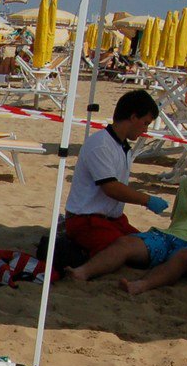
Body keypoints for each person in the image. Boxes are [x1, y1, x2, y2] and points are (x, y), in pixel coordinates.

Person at [64, 142, 187, 294]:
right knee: (126, 243)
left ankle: (141, 285)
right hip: (171, 236)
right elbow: (176, 222)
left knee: (183, 257)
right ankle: (82, 272)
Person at [60, 88, 169, 259]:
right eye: (145, 122)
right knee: (128, 252)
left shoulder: (121, 145)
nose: (145, 130)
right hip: (86, 220)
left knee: (147, 246)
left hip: (111, 219)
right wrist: (146, 200)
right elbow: (111, 188)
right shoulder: (101, 144)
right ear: (133, 117)